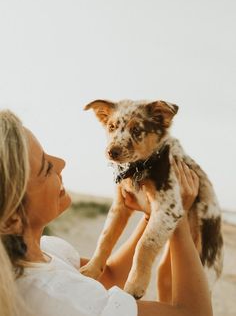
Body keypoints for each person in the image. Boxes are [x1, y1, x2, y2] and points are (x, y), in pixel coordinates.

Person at [0, 109, 213, 316]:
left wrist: (152, 215)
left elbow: (108, 276)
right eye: (46, 168)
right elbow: (195, 313)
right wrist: (176, 212)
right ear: (11, 220)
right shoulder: (61, 298)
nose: (61, 163)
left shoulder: (40, 252)